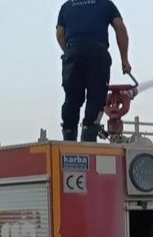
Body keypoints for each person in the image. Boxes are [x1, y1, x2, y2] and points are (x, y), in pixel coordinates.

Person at [56, 0, 132, 142]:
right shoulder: (106, 4)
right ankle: (88, 137)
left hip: (72, 54)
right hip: (97, 54)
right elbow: (120, 28)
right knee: (96, 98)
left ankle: (68, 139)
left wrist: (69, 52)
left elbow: (60, 34)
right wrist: (124, 60)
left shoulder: (66, 6)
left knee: (71, 99)